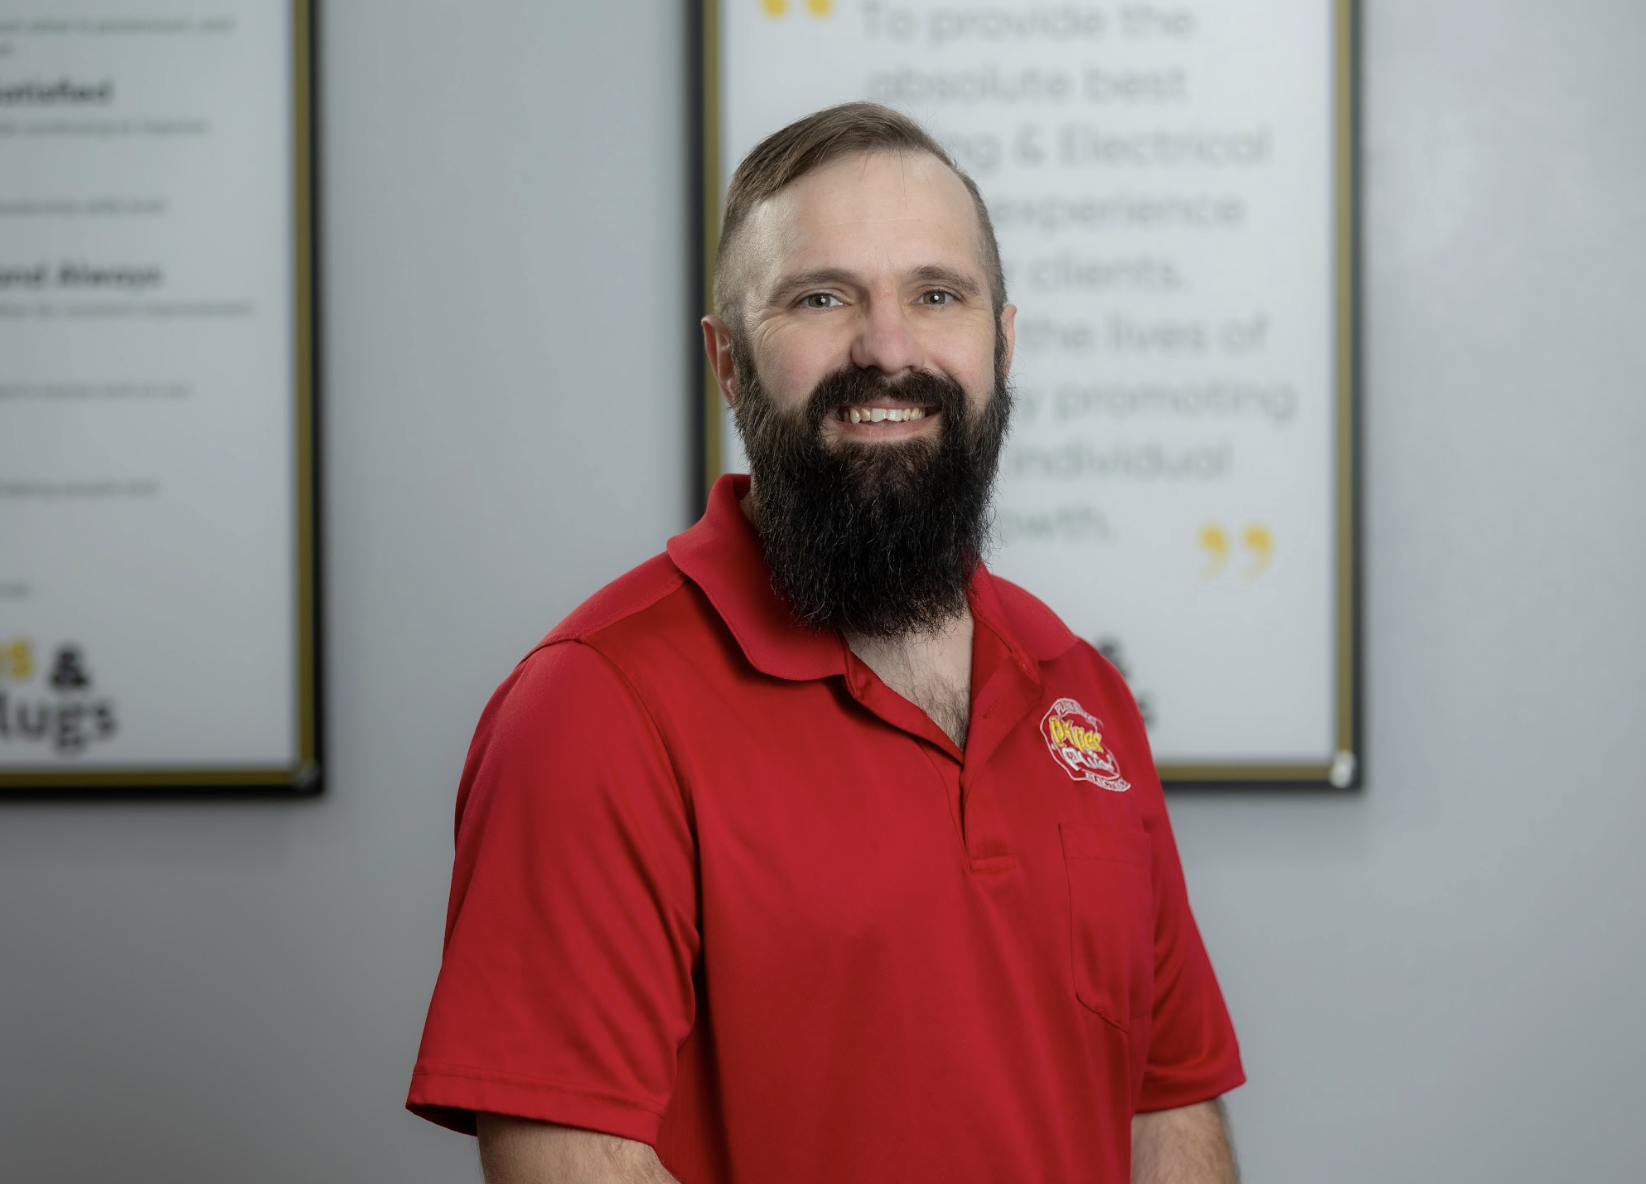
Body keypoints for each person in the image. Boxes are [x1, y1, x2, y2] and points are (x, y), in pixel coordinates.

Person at [407, 102, 1244, 1184]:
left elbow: (1163, 1102)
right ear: (727, 362)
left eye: (935, 295)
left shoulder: (1078, 693)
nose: (886, 348)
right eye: (820, 298)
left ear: (1001, 339)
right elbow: (570, 1158)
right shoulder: (595, 706)